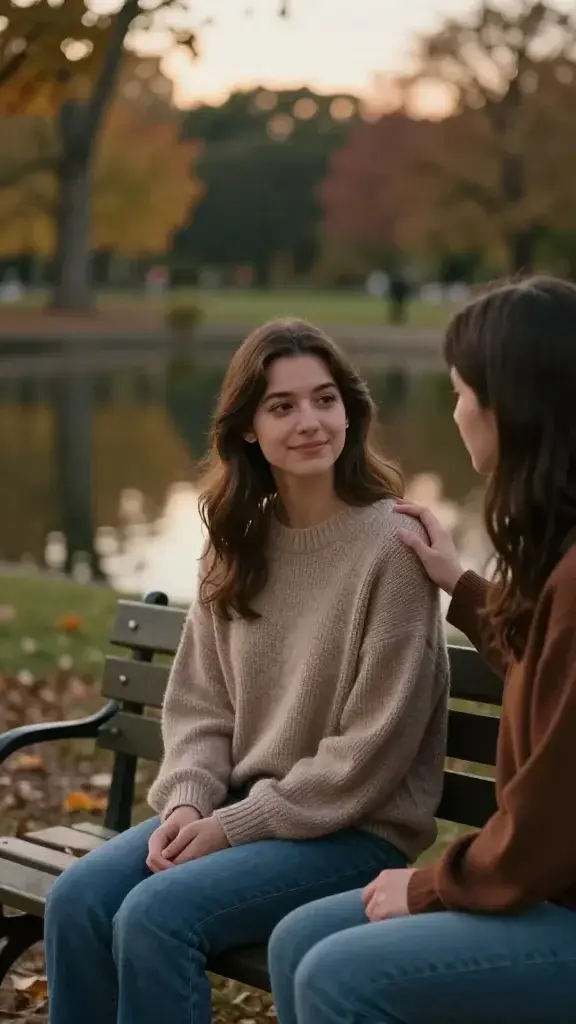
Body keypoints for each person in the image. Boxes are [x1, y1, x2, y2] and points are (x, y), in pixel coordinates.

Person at [44, 318, 449, 1024]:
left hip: (352, 834)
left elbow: (369, 754)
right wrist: (190, 804)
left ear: (351, 410)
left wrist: (233, 826)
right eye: (282, 406)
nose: (311, 422)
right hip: (238, 810)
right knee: (76, 901)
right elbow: (200, 707)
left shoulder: (394, 549)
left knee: (155, 917)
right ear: (248, 430)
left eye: (325, 399)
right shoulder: (235, 544)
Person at [268, 277, 576, 1024]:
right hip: (547, 887)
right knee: (296, 940)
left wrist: (432, 884)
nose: (456, 409)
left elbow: (553, 822)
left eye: (463, 391)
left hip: (556, 896)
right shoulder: (560, 557)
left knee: (339, 975)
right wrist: (465, 588)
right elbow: (549, 673)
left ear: (513, 406)